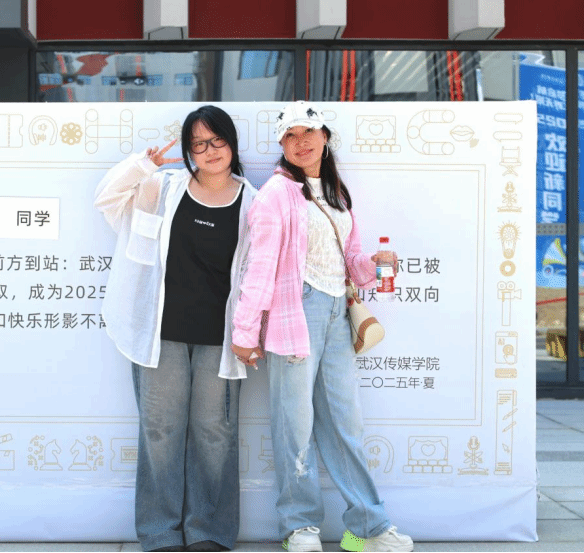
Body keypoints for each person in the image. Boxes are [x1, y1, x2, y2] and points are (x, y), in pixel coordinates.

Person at [231, 101, 413, 553]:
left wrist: (372, 263)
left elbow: (347, 257)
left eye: (308, 132)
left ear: (325, 137)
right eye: (290, 135)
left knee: (345, 423)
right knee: (294, 424)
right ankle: (300, 526)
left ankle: (366, 529)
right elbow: (260, 267)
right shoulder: (276, 193)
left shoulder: (336, 192)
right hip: (296, 311)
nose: (301, 142)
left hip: (336, 312)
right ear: (282, 145)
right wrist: (244, 332)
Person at [94, 105, 257, 552]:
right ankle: (160, 532)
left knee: (215, 433)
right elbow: (106, 199)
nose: (210, 150)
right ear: (188, 150)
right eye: (199, 143)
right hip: (159, 333)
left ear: (231, 143)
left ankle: (209, 531)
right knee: (160, 431)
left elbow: (261, 272)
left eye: (217, 140)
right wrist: (142, 164)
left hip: (220, 339)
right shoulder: (162, 188)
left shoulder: (253, 202)